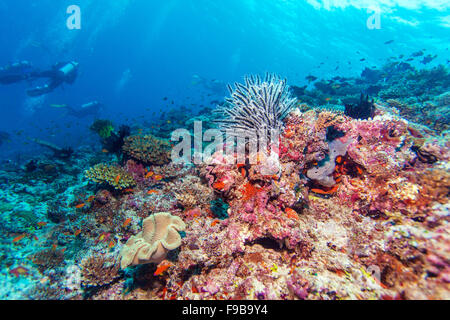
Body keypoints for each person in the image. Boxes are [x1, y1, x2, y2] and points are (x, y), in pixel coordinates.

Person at [0, 60, 79, 97]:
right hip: (61, 79)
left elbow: (53, 69)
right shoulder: (72, 71)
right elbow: (70, 82)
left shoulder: (61, 64)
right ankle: (45, 88)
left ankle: (27, 76)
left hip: (56, 74)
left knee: (38, 74)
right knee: (51, 86)